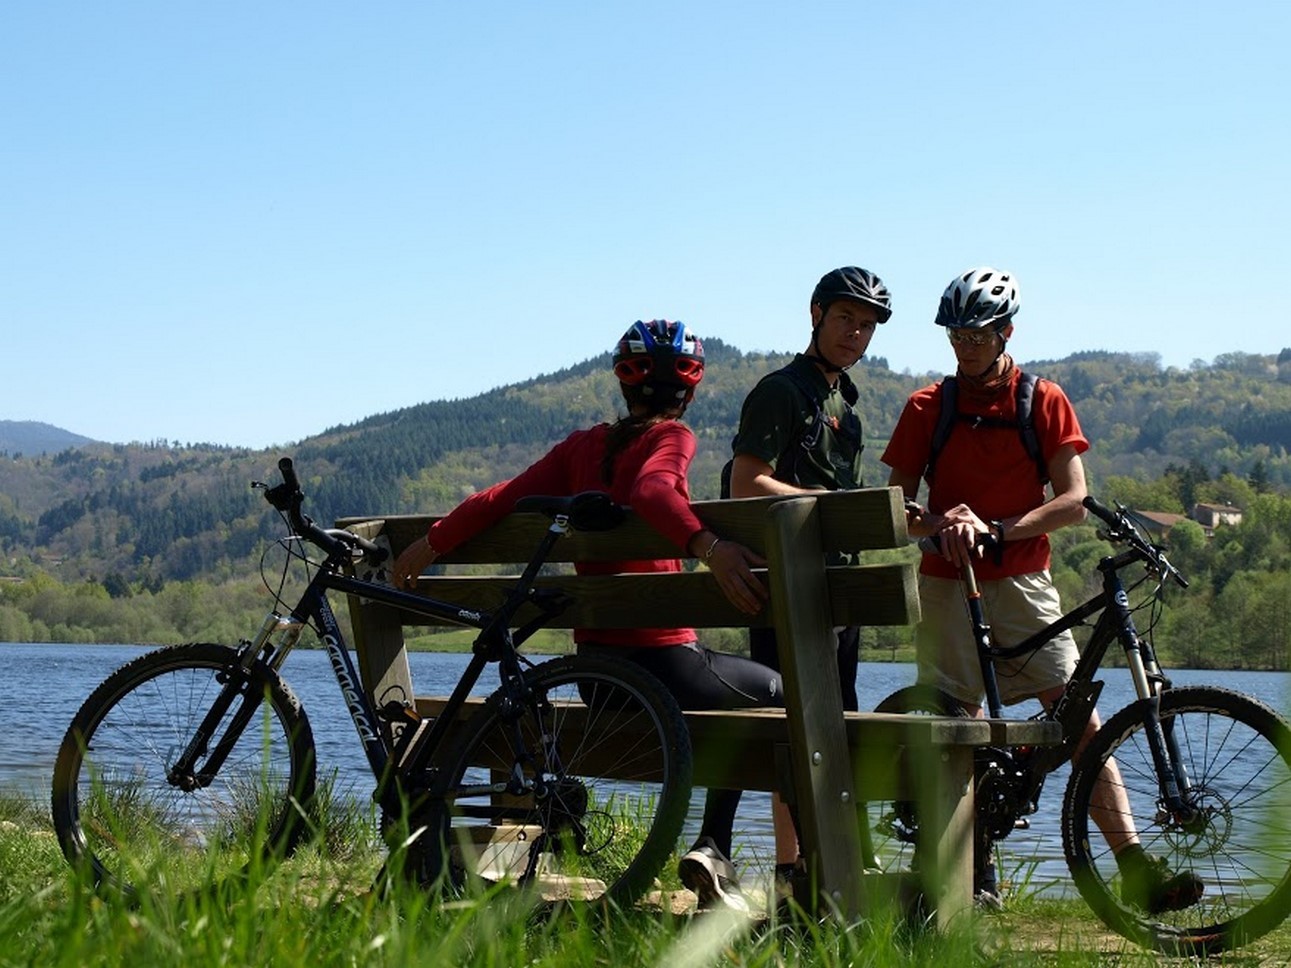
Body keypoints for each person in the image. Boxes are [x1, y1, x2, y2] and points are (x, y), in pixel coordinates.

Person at [391, 318, 780, 913]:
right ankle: (718, 848)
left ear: (624, 387)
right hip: (666, 670)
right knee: (780, 690)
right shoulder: (671, 438)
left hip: (601, 680)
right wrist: (710, 546)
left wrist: (432, 543)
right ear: (691, 391)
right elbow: (654, 493)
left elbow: (499, 498)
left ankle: (721, 853)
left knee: (746, 693)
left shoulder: (581, 449)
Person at [880, 266, 1203, 912]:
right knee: (956, 727)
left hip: (1023, 582)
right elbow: (894, 503)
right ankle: (971, 880)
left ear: (1005, 332)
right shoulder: (926, 407)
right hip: (947, 583)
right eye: (955, 334)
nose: (964, 346)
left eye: (976, 334)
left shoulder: (1041, 400)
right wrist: (941, 523)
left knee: (1078, 719)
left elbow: (1073, 500)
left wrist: (997, 528)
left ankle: (1134, 867)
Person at [680, 266, 892, 902]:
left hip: (836, 592)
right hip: (789, 591)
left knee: (826, 722)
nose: (855, 333)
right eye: (844, 318)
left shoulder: (843, 406)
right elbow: (748, 483)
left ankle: (787, 866)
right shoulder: (782, 391)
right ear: (815, 314)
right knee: (793, 721)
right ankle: (802, 860)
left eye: (866, 324)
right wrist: (829, 503)